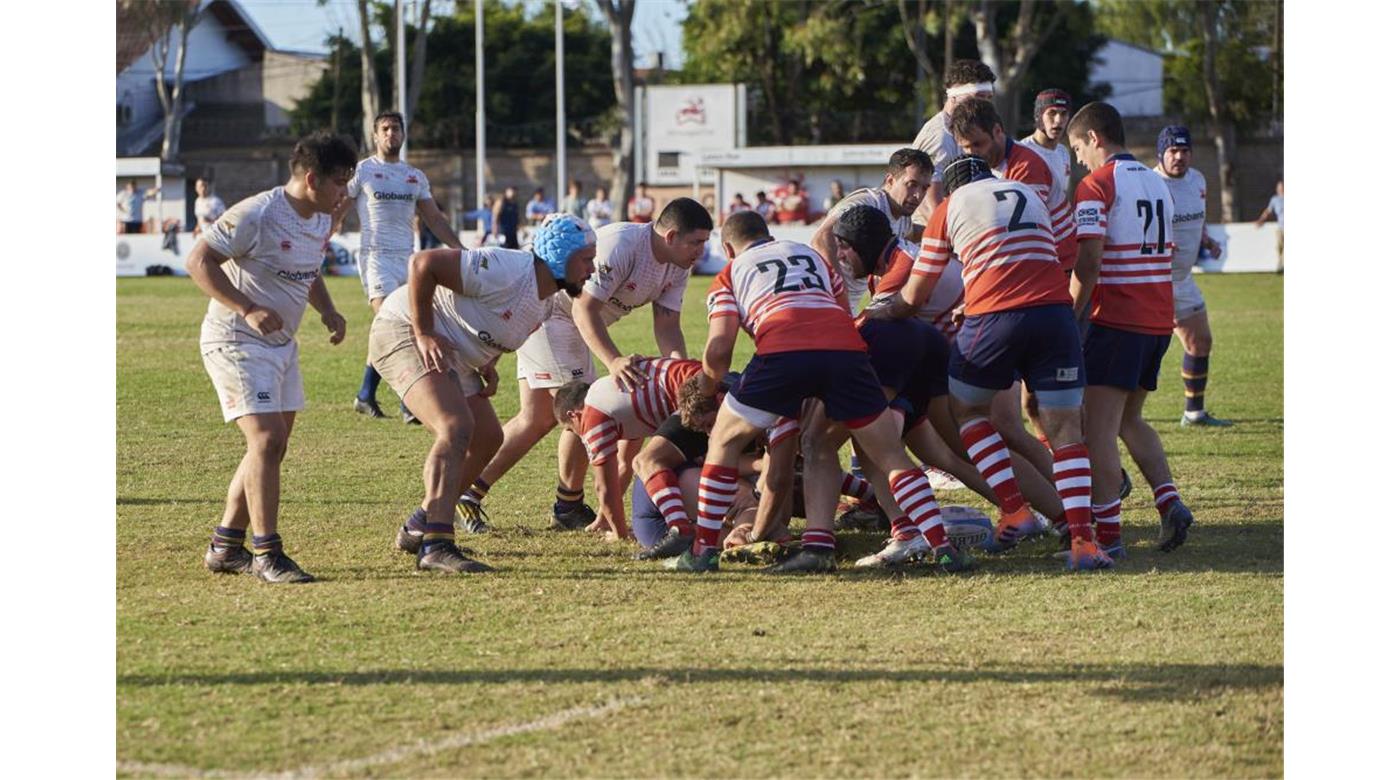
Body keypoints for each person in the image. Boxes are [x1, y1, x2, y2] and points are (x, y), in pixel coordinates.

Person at [668, 210, 973, 574]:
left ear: (729, 248)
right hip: (846, 353)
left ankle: (703, 551)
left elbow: (718, 353)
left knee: (723, 440)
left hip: (782, 349)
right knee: (888, 454)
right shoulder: (814, 258)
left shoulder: (730, 273)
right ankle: (940, 546)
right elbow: (842, 314)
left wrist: (705, 384)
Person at [866, 155, 1110, 570]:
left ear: (954, 187)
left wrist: (886, 312)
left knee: (968, 412)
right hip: (1056, 315)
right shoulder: (1031, 195)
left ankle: (1014, 511)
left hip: (995, 316)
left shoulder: (950, 207)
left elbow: (917, 293)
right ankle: (1085, 541)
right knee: (1067, 431)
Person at [455, 198, 715, 534]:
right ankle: (567, 504)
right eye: (696, 242)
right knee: (587, 409)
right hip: (552, 316)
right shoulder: (622, 245)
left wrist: (681, 376)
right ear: (671, 236)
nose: (701, 251)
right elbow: (583, 310)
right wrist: (614, 361)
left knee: (536, 418)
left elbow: (667, 325)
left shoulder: (678, 264)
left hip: (574, 324)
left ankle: (472, 491)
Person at [370, 215, 597, 573]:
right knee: (455, 427)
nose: (592, 268)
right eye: (586, 259)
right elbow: (422, 263)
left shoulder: (546, 301)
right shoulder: (509, 269)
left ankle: (419, 525)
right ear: (560, 255)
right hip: (402, 330)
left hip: (455, 356)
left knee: (488, 438)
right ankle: (437, 544)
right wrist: (424, 331)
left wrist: (486, 363)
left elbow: (489, 323)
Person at [186, 131, 357, 583]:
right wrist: (248, 307)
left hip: (281, 345)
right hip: (236, 339)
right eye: (341, 182)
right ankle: (267, 554)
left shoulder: (321, 218)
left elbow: (308, 268)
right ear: (312, 178)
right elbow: (198, 261)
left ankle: (225, 546)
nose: (346, 192)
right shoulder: (258, 213)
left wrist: (328, 310)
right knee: (264, 440)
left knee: (272, 445)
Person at [1067, 102, 1197, 555]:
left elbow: (1089, 259)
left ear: (1095, 139)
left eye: (1078, 147)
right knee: (1129, 419)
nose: (1078, 158)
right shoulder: (1157, 183)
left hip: (1116, 319)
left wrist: (1068, 311)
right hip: (1158, 319)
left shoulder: (1097, 184)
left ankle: (1109, 538)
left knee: (1097, 430)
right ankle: (1170, 502)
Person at [335, 110, 463, 422]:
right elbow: (340, 207)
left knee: (392, 327)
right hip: (375, 259)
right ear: (375, 136)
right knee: (401, 325)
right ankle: (410, 401)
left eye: (396, 129)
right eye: (386, 129)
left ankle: (366, 394)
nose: (391, 134)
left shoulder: (414, 176)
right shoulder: (364, 171)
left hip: (407, 261)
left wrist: (460, 249)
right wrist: (321, 234)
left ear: (403, 135)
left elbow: (434, 218)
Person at [552, 357, 704, 542]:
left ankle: (679, 527)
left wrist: (619, 534)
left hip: (696, 395)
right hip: (710, 381)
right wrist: (603, 518)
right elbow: (623, 466)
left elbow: (604, 486)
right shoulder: (615, 396)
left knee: (647, 462)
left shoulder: (592, 415)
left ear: (573, 415)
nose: (577, 435)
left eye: (570, 429)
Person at [1154, 125, 1231, 428]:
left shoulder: (1197, 179)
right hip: (1153, 281)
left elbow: (1197, 217)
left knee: (1200, 341)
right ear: (1161, 152)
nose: (1179, 157)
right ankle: (1117, 418)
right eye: (1173, 151)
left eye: (1185, 151)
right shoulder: (1150, 183)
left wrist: (1207, 240)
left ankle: (1194, 413)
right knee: (1145, 356)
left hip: (1182, 281)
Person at [810, 148, 933, 314]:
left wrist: (947, 235)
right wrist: (840, 292)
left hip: (849, 303)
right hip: (822, 296)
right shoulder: (867, 202)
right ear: (890, 181)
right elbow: (822, 237)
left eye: (925, 188)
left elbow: (913, 233)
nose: (918, 195)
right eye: (911, 185)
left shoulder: (903, 217)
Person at [912, 59, 996, 223]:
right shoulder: (940, 136)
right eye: (978, 97)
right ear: (954, 96)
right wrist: (952, 241)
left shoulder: (966, 130)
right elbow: (928, 202)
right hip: (929, 235)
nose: (983, 105)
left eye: (988, 98)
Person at [1254, 177, 1284, 272]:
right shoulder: (1275, 199)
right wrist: (1261, 220)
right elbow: (1268, 211)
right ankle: (1280, 265)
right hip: (1281, 227)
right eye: (1279, 187)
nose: (1281, 189)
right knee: (1279, 247)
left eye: (1282, 187)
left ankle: (1282, 266)